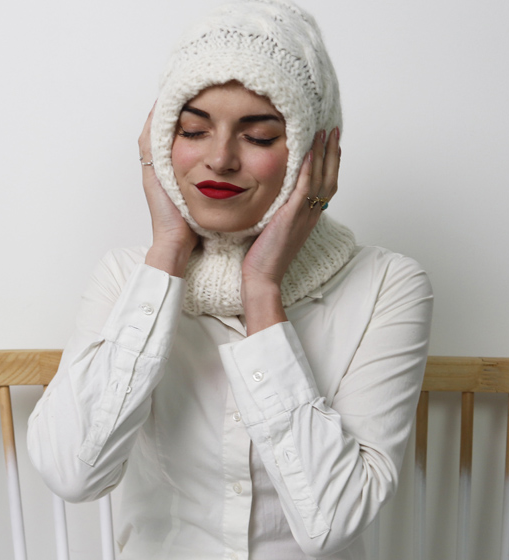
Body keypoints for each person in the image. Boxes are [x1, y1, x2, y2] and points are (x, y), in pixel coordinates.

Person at [26, 1, 434, 559]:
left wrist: (262, 289)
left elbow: (333, 523)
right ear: (162, 141)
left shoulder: (389, 286)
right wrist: (168, 251)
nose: (219, 159)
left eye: (259, 136)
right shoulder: (127, 279)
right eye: (193, 129)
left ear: (315, 154)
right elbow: (73, 474)